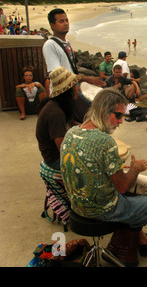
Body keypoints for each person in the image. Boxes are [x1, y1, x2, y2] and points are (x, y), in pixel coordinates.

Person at [60, 88, 147, 262]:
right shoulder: (104, 142)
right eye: (118, 116)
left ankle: (140, 239)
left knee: (136, 197)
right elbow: (123, 186)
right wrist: (135, 168)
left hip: (76, 206)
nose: (120, 122)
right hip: (101, 211)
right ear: (103, 111)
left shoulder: (71, 132)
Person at [36, 67, 83, 225]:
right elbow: (63, 151)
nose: (78, 88)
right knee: (96, 167)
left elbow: (71, 124)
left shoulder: (56, 106)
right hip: (55, 160)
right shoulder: (55, 113)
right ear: (68, 90)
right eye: (75, 85)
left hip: (51, 155)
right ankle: (88, 210)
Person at [42, 8, 104, 121]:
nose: (66, 23)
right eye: (61, 21)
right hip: (61, 94)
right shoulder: (50, 45)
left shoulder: (67, 43)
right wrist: (85, 78)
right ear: (52, 26)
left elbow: (71, 69)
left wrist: (81, 82)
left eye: (67, 20)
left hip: (72, 90)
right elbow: (56, 73)